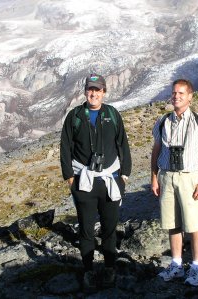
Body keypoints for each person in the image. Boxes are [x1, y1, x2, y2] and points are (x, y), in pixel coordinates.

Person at [60, 73, 132, 292]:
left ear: (104, 92)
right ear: (85, 92)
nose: (94, 93)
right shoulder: (75, 116)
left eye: (98, 90)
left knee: (110, 227)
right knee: (86, 228)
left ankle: (109, 267)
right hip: (84, 182)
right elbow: (65, 148)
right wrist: (70, 178)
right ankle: (89, 269)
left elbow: (123, 144)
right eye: (90, 89)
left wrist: (125, 175)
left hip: (110, 179)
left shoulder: (112, 114)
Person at [150, 79, 198, 287]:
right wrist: (154, 177)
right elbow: (156, 150)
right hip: (167, 176)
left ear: (190, 96)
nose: (176, 96)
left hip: (190, 177)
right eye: (174, 93)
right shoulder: (163, 121)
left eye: (181, 93)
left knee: (194, 224)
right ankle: (176, 265)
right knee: (173, 223)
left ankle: (196, 267)